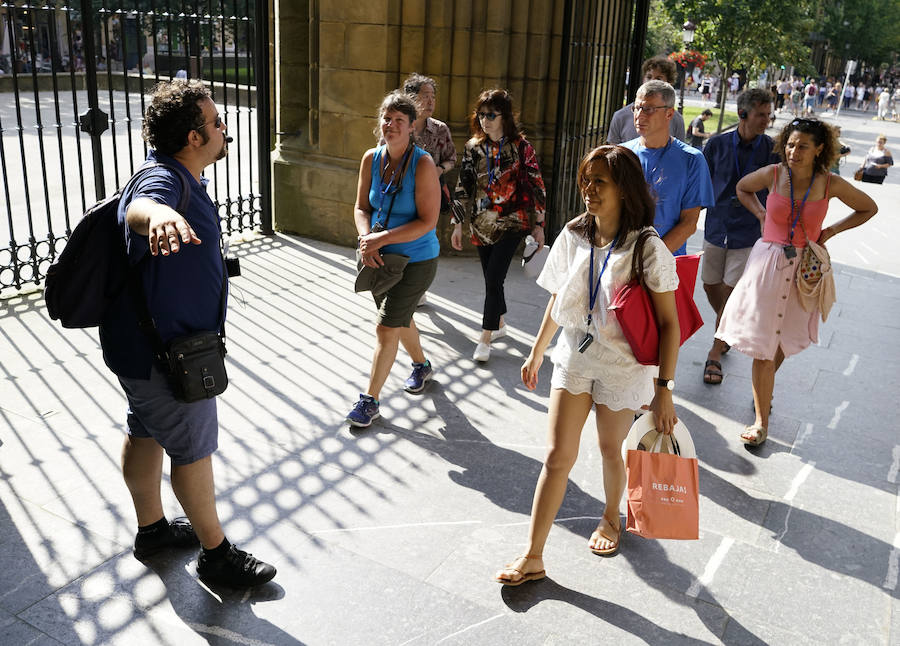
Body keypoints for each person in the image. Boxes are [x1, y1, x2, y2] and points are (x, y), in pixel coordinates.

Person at [99, 79, 276, 586]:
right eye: (217, 123)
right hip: (168, 354)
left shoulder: (177, 176)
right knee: (192, 450)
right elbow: (142, 209)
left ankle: (153, 530)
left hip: (142, 345)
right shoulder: (164, 183)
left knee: (145, 430)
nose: (225, 130)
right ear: (195, 137)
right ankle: (216, 555)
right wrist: (158, 215)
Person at [493, 145, 680, 586]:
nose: (588, 190)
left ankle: (612, 517)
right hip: (574, 356)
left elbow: (670, 324)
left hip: (622, 366)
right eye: (586, 179)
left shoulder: (647, 247)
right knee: (558, 456)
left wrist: (664, 389)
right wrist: (538, 350)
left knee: (610, 450)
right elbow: (560, 296)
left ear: (625, 188)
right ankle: (533, 555)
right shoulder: (575, 233)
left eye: (600, 181)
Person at [717, 118, 878, 445]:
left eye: (802, 145)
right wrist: (761, 214)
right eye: (790, 144)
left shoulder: (829, 182)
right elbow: (742, 188)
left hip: (803, 270)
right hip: (767, 266)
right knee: (764, 346)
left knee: (782, 340)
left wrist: (831, 231)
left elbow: (868, 208)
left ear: (820, 149)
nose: (794, 151)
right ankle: (761, 422)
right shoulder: (774, 174)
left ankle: (764, 389)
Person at [346, 91, 442, 427]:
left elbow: (427, 221)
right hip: (379, 259)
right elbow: (362, 207)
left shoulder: (423, 164)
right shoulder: (371, 158)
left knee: (387, 327)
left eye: (399, 120)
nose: (391, 125)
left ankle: (369, 401)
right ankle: (422, 366)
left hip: (416, 260)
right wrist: (365, 239)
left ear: (412, 126)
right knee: (399, 318)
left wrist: (379, 239)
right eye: (386, 118)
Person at [452, 89, 547, 362]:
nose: (485, 120)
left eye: (491, 115)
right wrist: (457, 223)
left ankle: (485, 338)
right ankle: (501, 323)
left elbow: (537, 186)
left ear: (504, 116)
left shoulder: (521, 148)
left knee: (494, 279)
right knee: (492, 280)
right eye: (481, 115)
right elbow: (463, 187)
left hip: (512, 222)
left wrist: (538, 224)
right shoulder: (473, 148)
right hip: (480, 224)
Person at [700, 89, 779, 385]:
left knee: (732, 291)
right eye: (761, 114)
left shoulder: (772, 149)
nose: (766, 121)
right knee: (710, 285)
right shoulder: (717, 144)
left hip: (750, 232)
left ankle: (715, 352)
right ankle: (728, 325)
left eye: (769, 115)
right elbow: (701, 181)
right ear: (743, 114)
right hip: (716, 225)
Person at [621, 80, 715, 256]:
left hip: (666, 265)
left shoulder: (692, 160)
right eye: (636, 108)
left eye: (648, 109)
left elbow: (689, 222)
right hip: (620, 260)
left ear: (669, 114)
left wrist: (648, 259)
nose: (639, 115)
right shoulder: (622, 154)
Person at [392, 73, 457, 307]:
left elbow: (452, 158)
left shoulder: (440, 129)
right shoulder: (399, 124)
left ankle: (417, 286)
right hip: (400, 195)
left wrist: (439, 170)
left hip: (430, 195)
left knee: (424, 239)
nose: (430, 102)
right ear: (411, 98)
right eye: (424, 96)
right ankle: (402, 281)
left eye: (433, 97)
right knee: (401, 236)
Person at [606, 56, 686, 144]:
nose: (652, 81)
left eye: (658, 78)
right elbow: (613, 152)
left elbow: (680, 152)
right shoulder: (620, 116)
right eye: (649, 77)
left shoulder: (676, 119)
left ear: (668, 82)